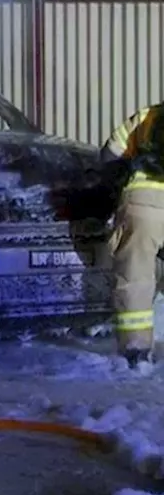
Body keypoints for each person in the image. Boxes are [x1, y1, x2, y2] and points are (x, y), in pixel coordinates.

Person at [100, 105, 164, 368]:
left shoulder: (147, 116)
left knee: (135, 276)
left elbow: (109, 155)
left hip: (144, 202)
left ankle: (136, 350)